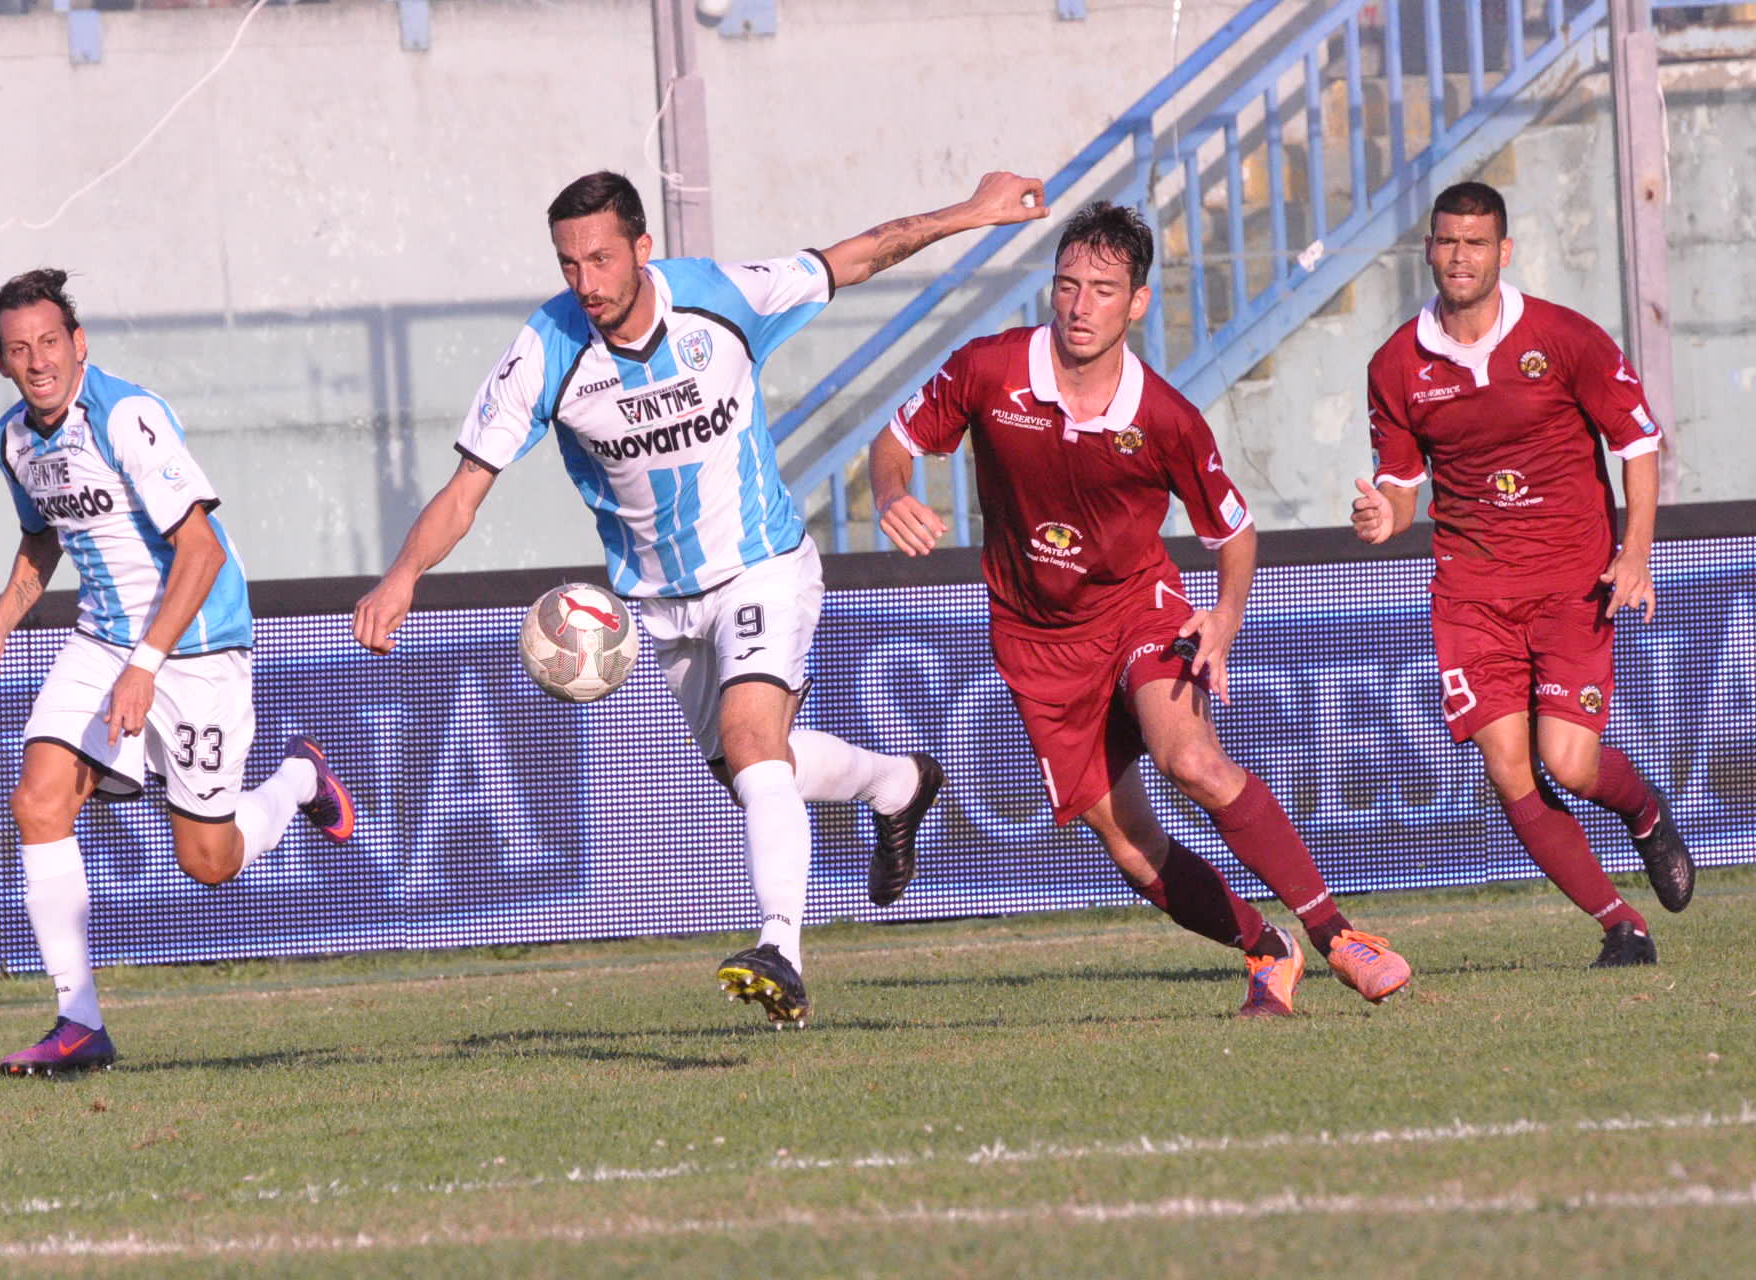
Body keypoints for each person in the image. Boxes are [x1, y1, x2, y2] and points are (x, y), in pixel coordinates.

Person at [352, 170, 1044, 1026]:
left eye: (602, 259)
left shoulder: (721, 299)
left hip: (762, 566)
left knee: (753, 743)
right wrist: (403, 575)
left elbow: (860, 255)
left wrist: (972, 212)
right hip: (661, 605)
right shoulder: (546, 349)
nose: (586, 282)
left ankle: (781, 949)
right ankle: (898, 783)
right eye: (569, 263)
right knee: (752, 772)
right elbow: (467, 488)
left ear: (643, 248)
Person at [870, 201, 1412, 1017]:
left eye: (1103, 290)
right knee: (1129, 844)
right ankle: (1268, 949)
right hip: (1035, 639)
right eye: (1067, 285)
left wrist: (1224, 618)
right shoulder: (990, 369)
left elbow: (1234, 533)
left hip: (1138, 608)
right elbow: (895, 442)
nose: (1080, 306)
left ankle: (1337, 935)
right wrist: (891, 493)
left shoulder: (1164, 418)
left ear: (1138, 302)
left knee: (1188, 759)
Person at [0, 268, 355, 1076]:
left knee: (207, 862)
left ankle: (297, 779)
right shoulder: (13, 441)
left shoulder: (127, 417)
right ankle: (79, 1024)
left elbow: (201, 552)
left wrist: (146, 666)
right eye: (19, 349)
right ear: (0, 361)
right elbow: (42, 539)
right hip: (103, 640)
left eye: (49, 342)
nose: (37, 361)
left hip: (198, 645)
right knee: (38, 801)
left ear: (79, 344)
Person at [1353, 181, 1692, 967]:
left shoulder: (1564, 337)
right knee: (1510, 770)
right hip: (1472, 596)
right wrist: (1383, 517)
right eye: (1447, 241)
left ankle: (1643, 812)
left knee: (1569, 764)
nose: (1460, 256)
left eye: (1475, 242)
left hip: (1571, 583)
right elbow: (1401, 486)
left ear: (1503, 252)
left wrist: (1635, 552)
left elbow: (1638, 443)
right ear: (1428, 250)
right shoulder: (1396, 364)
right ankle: (1621, 926)